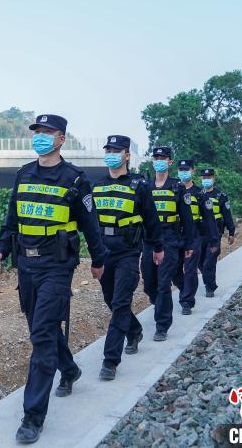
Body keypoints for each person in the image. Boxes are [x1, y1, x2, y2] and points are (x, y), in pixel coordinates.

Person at [0, 113, 108, 444]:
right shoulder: (24, 174)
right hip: (25, 266)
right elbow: (10, 219)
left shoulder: (75, 179)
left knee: (41, 335)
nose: (40, 136)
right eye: (37, 131)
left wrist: (99, 260)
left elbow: (90, 225)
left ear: (61, 139)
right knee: (41, 326)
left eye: (47, 132)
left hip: (57, 266)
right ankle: (68, 369)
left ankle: (33, 416)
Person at [92, 135, 163, 381]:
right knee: (111, 299)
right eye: (108, 149)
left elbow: (151, 219)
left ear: (127, 155)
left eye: (117, 150)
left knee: (121, 302)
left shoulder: (138, 184)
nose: (111, 153)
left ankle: (110, 360)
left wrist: (157, 247)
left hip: (128, 253)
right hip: (104, 253)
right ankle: (134, 330)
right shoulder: (97, 185)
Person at [140, 146, 194, 342]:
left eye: (163, 157)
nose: (159, 160)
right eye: (156, 157)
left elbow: (187, 219)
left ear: (170, 161)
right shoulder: (145, 186)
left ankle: (162, 325)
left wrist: (188, 245)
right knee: (149, 283)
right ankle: (158, 303)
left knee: (163, 284)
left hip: (169, 239)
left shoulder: (177, 187)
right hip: (148, 240)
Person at [172, 159, 220, 315]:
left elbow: (209, 218)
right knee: (174, 270)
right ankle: (184, 290)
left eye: (186, 169)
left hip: (194, 236)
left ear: (193, 171)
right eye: (181, 169)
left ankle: (187, 301)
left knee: (190, 270)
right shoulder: (173, 190)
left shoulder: (200, 194)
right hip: (174, 236)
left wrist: (214, 240)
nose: (183, 172)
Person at [198, 168, 235, 297]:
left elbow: (227, 215)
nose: (206, 180)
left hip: (215, 233)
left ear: (213, 179)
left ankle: (210, 287)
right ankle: (208, 281)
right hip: (200, 232)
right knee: (200, 261)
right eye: (204, 178)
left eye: (209, 177)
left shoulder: (221, 196)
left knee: (210, 260)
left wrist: (231, 232)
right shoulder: (198, 194)